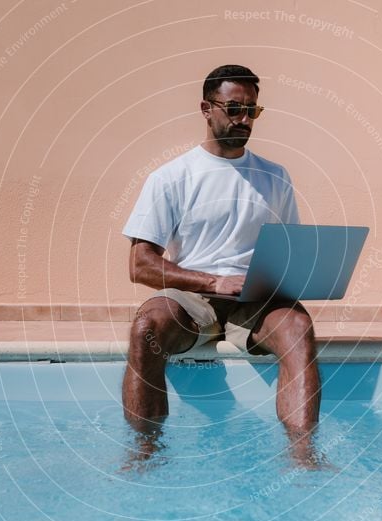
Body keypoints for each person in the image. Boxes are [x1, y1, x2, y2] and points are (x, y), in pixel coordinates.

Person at [121, 64, 322, 458]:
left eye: (252, 110)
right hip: (191, 297)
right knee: (146, 327)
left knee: (298, 326)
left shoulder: (275, 176)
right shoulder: (171, 177)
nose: (244, 119)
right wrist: (213, 283)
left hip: (254, 300)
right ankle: (145, 451)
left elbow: (289, 248)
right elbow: (141, 264)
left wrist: (293, 276)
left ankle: (303, 455)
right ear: (205, 108)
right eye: (233, 109)